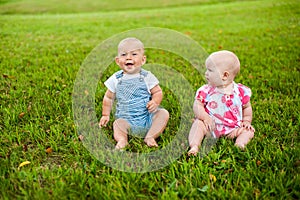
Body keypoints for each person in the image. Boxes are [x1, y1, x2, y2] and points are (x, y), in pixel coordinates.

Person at [99, 37, 169, 149]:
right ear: (118, 61)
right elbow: (108, 98)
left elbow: (157, 92)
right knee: (117, 124)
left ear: (143, 60)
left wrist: (155, 101)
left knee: (163, 113)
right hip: (126, 119)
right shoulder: (115, 79)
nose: (128, 58)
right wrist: (105, 114)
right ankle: (122, 140)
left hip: (147, 117)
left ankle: (150, 136)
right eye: (124, 55)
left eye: (134, 54)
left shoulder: (147, 77)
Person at [188, 50, 255, 156]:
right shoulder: (206, 90)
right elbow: (198, 105)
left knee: (249, 131)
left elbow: (246, 107)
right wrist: (205, 117)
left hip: (233, 128)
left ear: (224, 75)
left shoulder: (240, 92)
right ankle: (194, 146)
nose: (206, 73)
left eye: (210, 70)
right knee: (198, 125)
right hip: (210, 127)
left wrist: (246, 121)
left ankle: (240, 144)